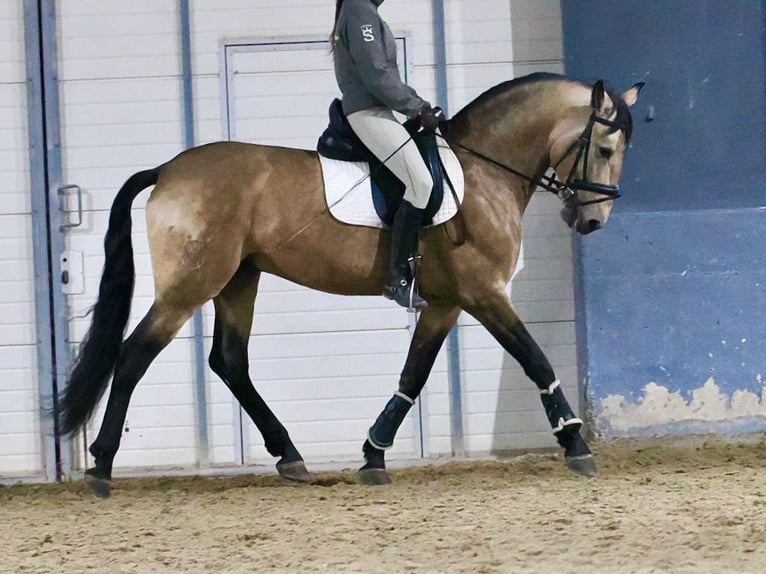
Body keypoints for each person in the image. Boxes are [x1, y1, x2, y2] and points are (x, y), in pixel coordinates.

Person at [331, 0, 443, 310]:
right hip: (368, 112)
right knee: (421, 183)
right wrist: (416, 107)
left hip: (378, 110)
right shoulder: (359, 10)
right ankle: (397, 278)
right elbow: (376, 73)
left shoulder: (363, 11)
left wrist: (416, 106)